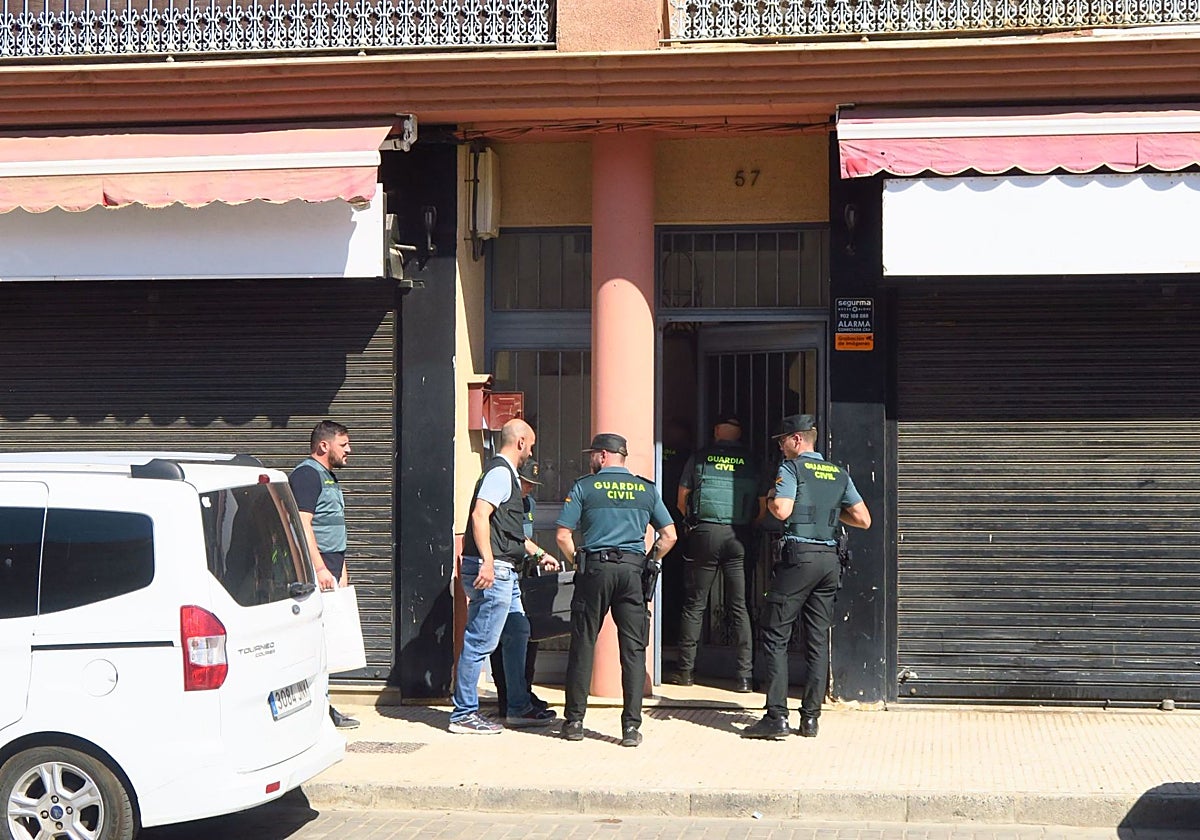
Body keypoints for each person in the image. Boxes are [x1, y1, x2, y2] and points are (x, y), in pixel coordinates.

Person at [742, 414, 871, 741]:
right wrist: (829, 512)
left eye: (783, 440)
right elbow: (863, 519)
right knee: (816, 639)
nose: (781, 446)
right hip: (830, 562)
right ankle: (810, 719)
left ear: (797, 440)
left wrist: (771, 498)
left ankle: (776, 717)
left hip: (799, 557)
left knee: (775, 634)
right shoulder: (838, 472)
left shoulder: (792, 468)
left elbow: (783, 511)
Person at [556, 433, 678, 747]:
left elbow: (562, 536)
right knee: (634, 650)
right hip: (632, 571)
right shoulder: (646, 489)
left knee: (584, 643)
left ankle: (574, 722)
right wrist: (650, 561)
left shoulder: (585, 486)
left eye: (593, 454)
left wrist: (578, 562)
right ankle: (630, 728)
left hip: (595, 569)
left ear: (604, 456)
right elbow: (669, 536)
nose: (590, 460)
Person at [450, 418, 558, 734]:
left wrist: (540, 554)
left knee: (518, 631)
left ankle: (518, 706)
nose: (532, 452)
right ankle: (463, 714)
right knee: (479, 642)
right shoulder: (499, 473)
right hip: (493, 570)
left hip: (504, 571)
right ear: (521, 441)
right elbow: (479, 516)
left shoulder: (506, 476)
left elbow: (509, 532)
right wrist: (486, 561)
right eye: (532, 445)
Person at [668, 414, 759, 692]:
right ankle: (744, 677)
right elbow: (764, 503)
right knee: (739, 606)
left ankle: (686, 671)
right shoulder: (753, 460)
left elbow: (682, 498)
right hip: (739, 535)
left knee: (695, 605)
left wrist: (693, 524)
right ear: (740, 433)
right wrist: (748, 526)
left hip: (705, 534)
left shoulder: (700, 457)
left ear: (717, 431)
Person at [290, 419, 360, 731]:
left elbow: (334, 526)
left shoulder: (327, 476)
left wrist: (340, 568)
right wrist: (319, 568)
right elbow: (303, 525)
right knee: (315, 641)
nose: (350, 451)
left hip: (331, 567)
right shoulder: (307, 475)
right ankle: (317, 711)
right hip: (317, 570)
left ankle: (324, 706)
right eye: (343, 445)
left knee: (329, 642)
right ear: (324, 446)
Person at [490, 458, 553, 716]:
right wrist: (540, 553)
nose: (529, 489)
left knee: (528, 635)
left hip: (523, 575)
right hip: (502, 572)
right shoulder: (506, 497)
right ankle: (506, 696)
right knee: (503, 636)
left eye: (533, 485)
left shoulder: (529, 503)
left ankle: (523, 691)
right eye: (526, 483)